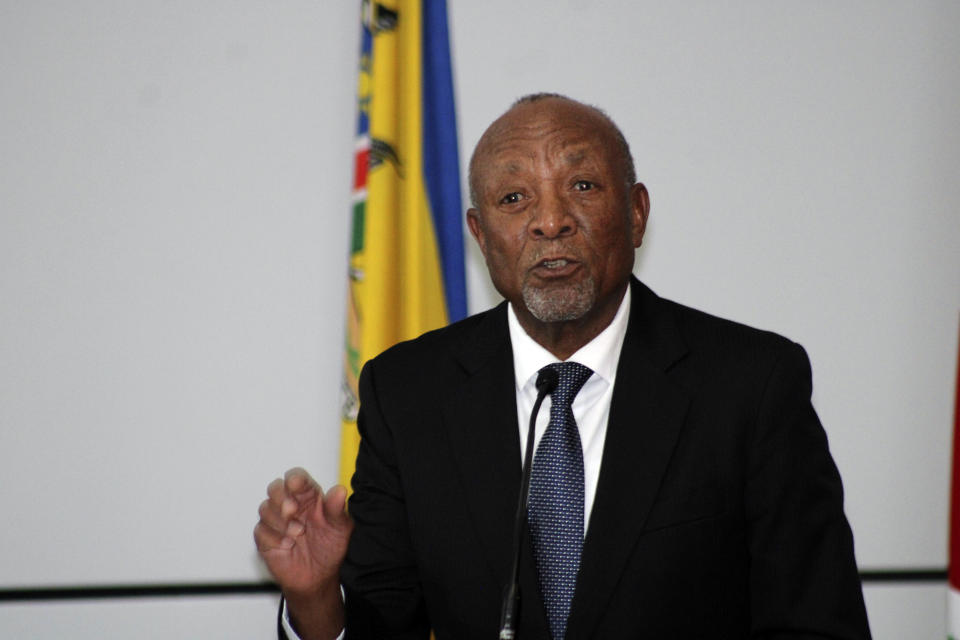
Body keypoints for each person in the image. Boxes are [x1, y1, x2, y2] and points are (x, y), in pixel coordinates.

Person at [254, 93, 871, 639]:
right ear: (479, 232)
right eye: (514, 197)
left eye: (582, 186)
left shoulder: (751, 385)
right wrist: (315, 603)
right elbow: (386, 625)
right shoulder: (409, 393)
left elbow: (816, 622)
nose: (550, 222)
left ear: (635, 213)